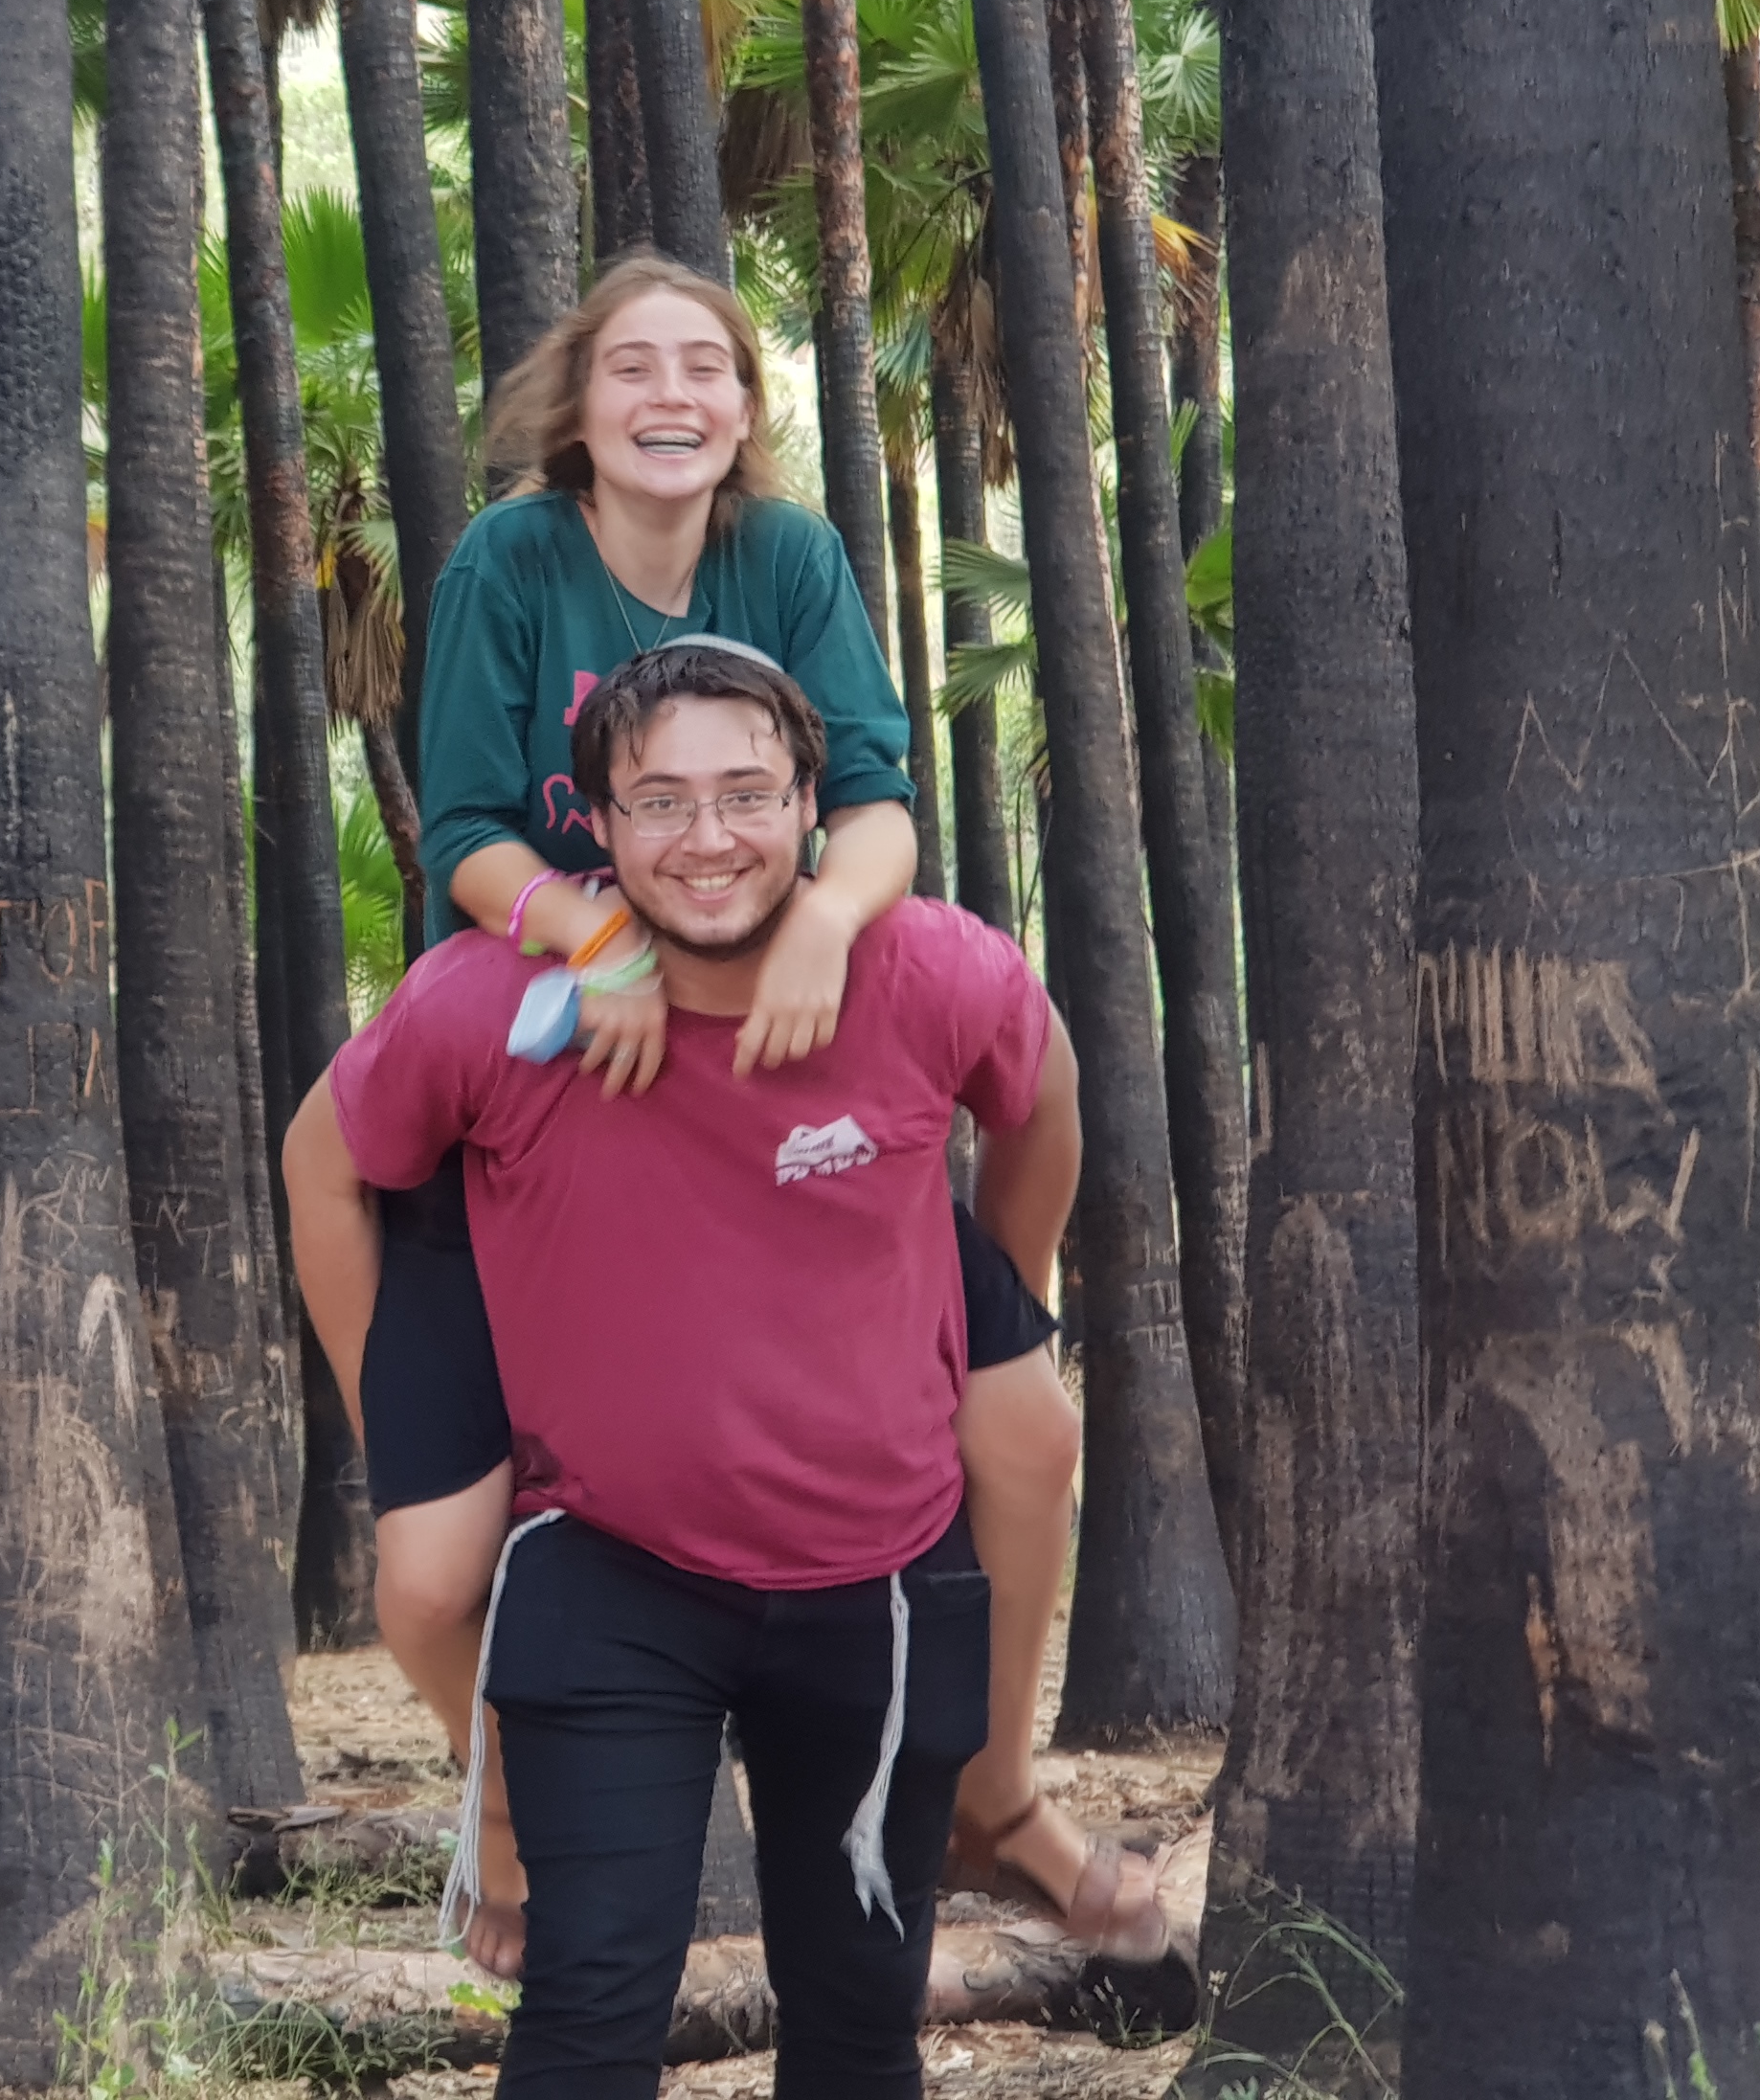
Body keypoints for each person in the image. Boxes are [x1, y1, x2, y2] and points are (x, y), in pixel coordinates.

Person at [293, 256, 1153, 1971]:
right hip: (557, 1073)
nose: (670, 394)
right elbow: (464, 834)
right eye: (633, 365)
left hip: (780, 1074)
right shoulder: (510, 564)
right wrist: (596, 933)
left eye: (706, 363)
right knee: (431, 1581)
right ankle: (502, 1799)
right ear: (577, 403)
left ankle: (991, 1798)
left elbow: (880, 806)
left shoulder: (793, 554)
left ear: (749, 405)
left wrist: (827, 927)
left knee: (1029, 1432)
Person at [287, 642, 1072, 2096]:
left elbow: (1042, 1089)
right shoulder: (484, 1006)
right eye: (659, 802)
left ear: (811, 804)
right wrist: (390, 1421)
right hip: (610, 1569)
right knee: (591, 2010)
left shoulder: (931, 970)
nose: (708, 838)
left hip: (882, 1589)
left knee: (859, 2030)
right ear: (598, 825)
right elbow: (323, 1161)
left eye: (746, 794)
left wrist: (1004, 1312)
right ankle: (501, 1814)